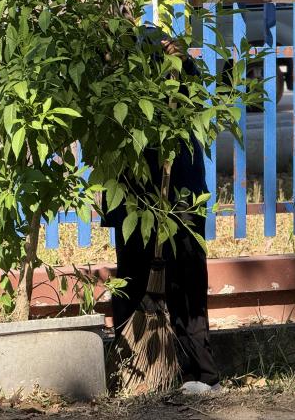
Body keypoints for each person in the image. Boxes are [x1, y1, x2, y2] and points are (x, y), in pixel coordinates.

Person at [102, 30, 220, 394]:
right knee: (134, 279)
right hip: (133, 189)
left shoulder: (173, 63)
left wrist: (180, 64)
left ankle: (199, 372)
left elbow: (194, 101)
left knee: (185, 277)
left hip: (178, 186)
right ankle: (134, 370)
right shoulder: (108, 66)